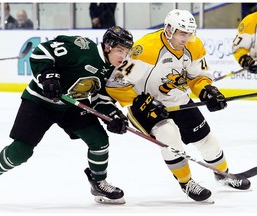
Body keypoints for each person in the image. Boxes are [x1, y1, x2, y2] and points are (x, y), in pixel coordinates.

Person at [0, 26, 133, 205]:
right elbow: (41, 51)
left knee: (99, 140)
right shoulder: (81, 47)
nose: (123, 56)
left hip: (71, 104)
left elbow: (101, 99)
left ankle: (98, 182)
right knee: (21, 151)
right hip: (40, 101)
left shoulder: (115, 71)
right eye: (120, 50)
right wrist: (48, 77)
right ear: (107, 46)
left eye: (127, 52)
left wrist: (113, 116)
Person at [105, 9, 251, 202]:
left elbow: (198, 77)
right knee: (170, 137)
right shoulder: (146, 49)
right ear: (169, 29)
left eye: (189, 33)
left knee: (208, 141)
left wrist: (208, 91)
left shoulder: (194, 45)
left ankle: (223, 174)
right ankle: (186, 182)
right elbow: (115, 84)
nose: (186, 38)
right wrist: (140, 102)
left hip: (176, 99)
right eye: (182, 33)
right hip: (144, 105)